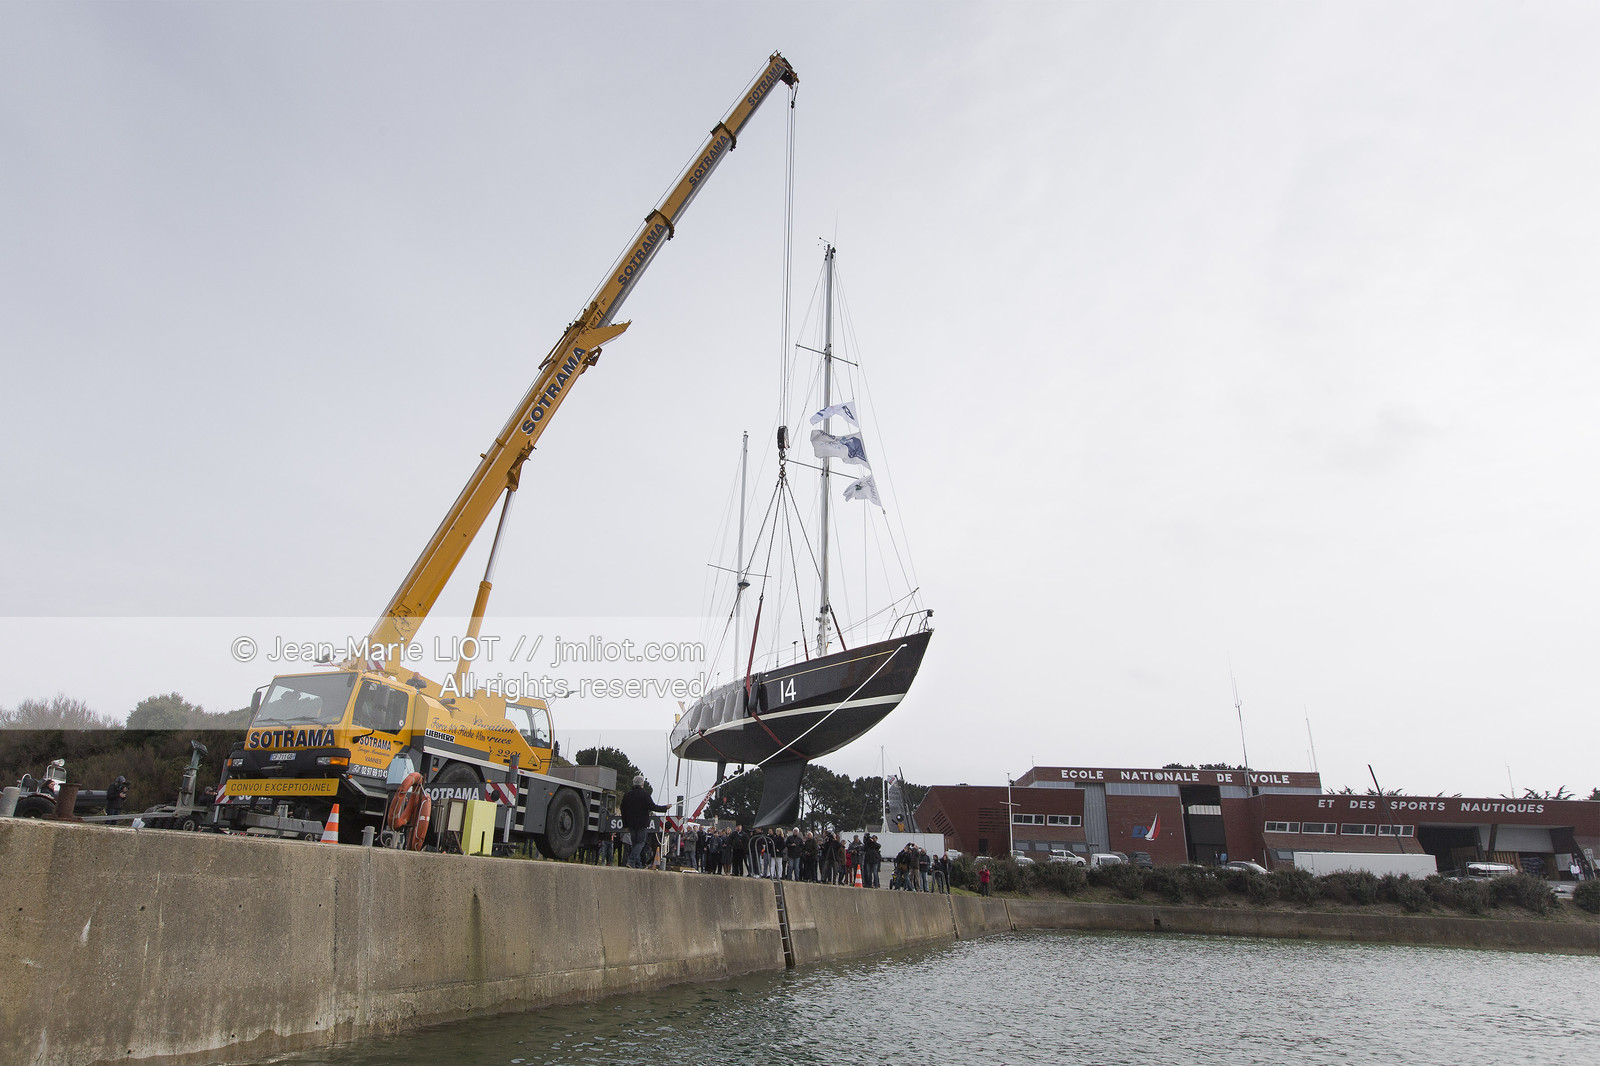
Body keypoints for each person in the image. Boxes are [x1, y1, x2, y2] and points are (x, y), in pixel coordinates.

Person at [620, 775, 668, 869]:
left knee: (634, 844)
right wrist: (665, 808)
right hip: (642, 823)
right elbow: (653, 807)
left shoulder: (627, 795)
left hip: (631, 823)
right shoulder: (645, 794)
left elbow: (623, 810)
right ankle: (631, 861)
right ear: (642, 784)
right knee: (640, 843)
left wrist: (625, 824)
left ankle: (637, 865)